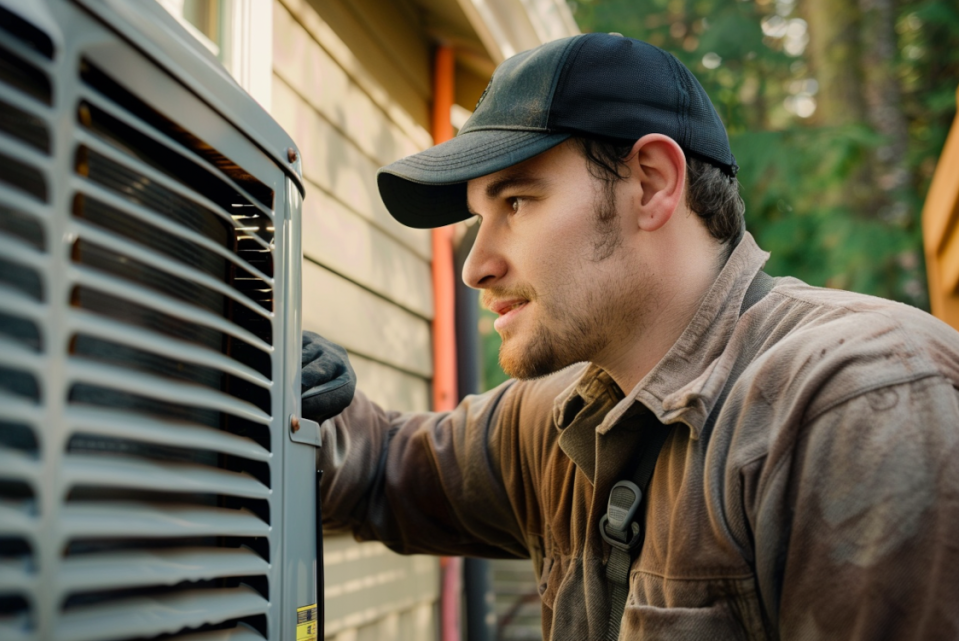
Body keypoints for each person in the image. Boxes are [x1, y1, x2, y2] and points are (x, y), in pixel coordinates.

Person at [299, 34, 959, 640]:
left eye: (517, 203)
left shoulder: (857, 398)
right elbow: (380, 469)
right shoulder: (562, 415)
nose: (476, 265)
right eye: (478, 217)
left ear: (651, 184)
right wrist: (281, 380)